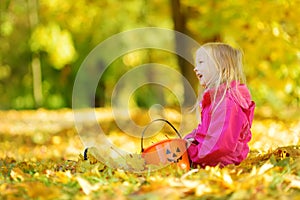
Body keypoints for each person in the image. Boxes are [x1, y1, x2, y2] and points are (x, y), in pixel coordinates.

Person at [184, 42, 255, 168]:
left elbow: (220, 145)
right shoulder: (216, 100)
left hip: (221, 163)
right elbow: (206, 131)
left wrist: (191, 152)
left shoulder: (226, 103)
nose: (195, 68)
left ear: (220, 67)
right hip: (211, 159)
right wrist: (190, 140)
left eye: (201, 62)